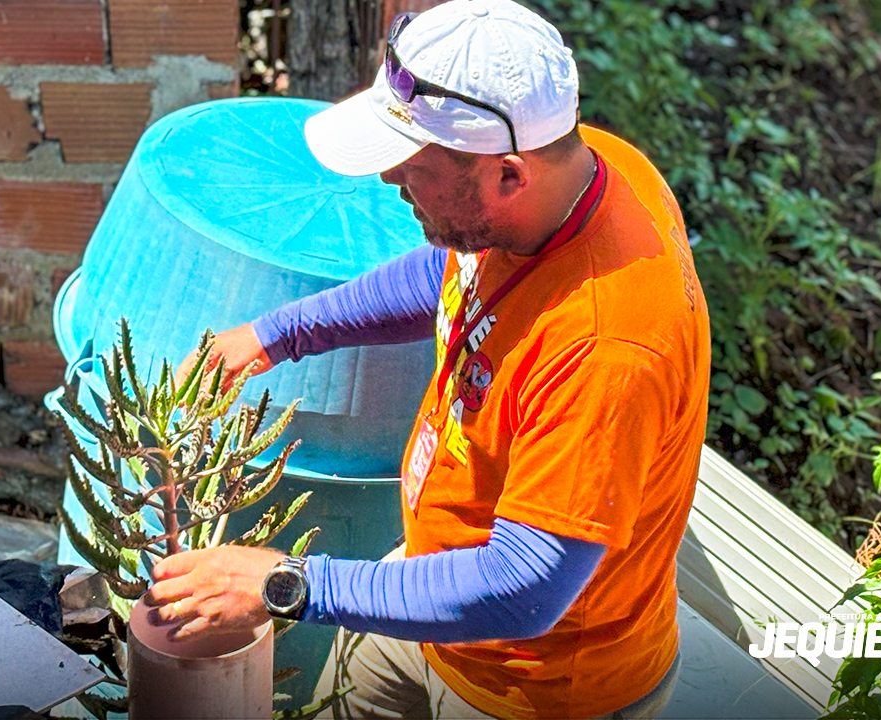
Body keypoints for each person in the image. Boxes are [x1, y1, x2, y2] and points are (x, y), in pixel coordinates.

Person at [146, 0, 711, 717]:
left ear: (507, 175)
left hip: (530, 683)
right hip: (426, 588)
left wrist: (286, 584)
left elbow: (526, 586)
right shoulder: (571, 170)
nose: (388, 180)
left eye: (412, 166)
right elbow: (446, 273)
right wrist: (279, 335)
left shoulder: (607, 348)